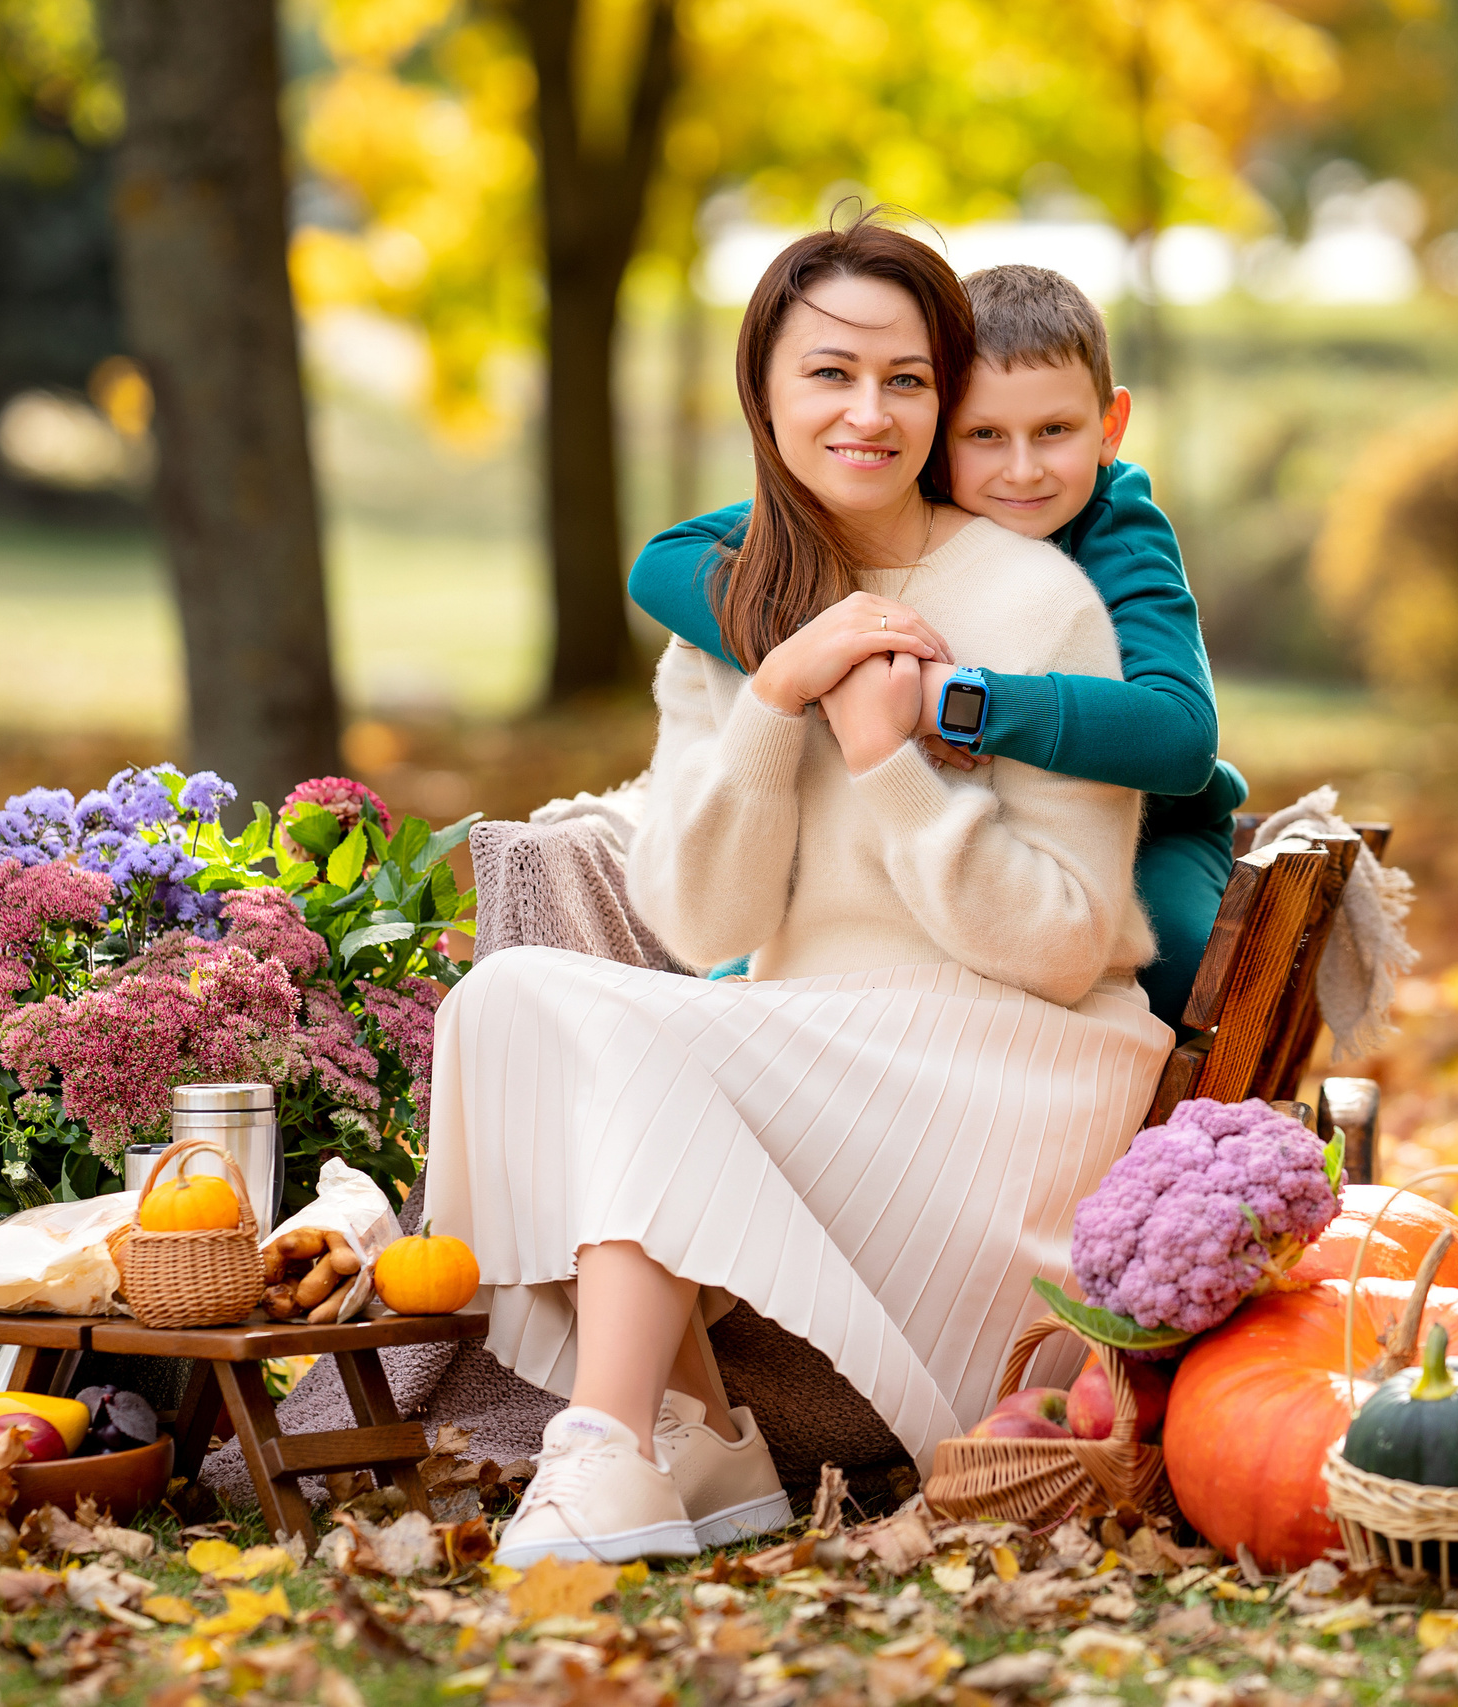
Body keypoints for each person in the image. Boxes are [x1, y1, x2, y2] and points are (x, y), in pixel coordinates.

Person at [421, 217, 1172, 1566]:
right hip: (811, 1049)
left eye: (907, 380)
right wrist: (776, 695)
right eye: (830, 374)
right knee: (505, 997)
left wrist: (888, 758)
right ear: (764, 392)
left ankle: (602, 1445)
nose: (869, 413)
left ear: (946, 394)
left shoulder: (1034, 600)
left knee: (634, 1031)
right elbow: (704, 923)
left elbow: (1064, 945)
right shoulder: (732, 614)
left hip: (1011, 1070)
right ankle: (698, 1440)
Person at [629, 262, 1245, 1029]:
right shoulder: (910, 494)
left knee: (1184, 963)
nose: (1023, 470)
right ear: (940, 430)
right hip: (964, 883)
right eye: (984, 434)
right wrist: (825, 659)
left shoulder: (1116, 523)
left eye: (1054, 431)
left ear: (1110, 427)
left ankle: (1192, 1134)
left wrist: (949, 701)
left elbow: (1182, 738)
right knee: (743, 964)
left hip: (1162, 826)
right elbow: (662, 561)